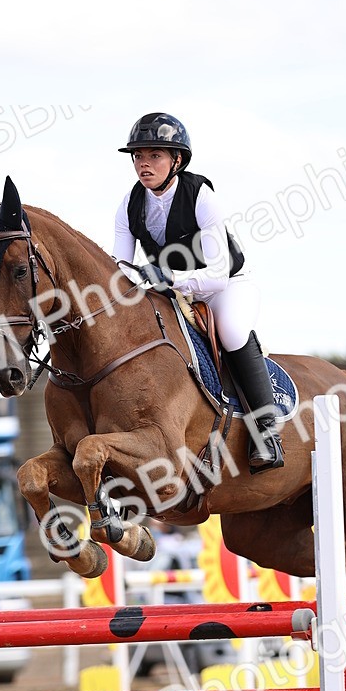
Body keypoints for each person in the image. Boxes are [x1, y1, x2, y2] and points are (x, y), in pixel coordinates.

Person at [113, 112, 284, 474]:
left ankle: (267, 431)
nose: (144, 164)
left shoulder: (201, 196)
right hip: (172, 291)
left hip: (227, 285)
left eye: (154, 155)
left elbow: (218, 276)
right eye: (138, 156)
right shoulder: (129, 205)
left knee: (233, 331)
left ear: (177, 160)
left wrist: (168, 278)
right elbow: (121, 267)